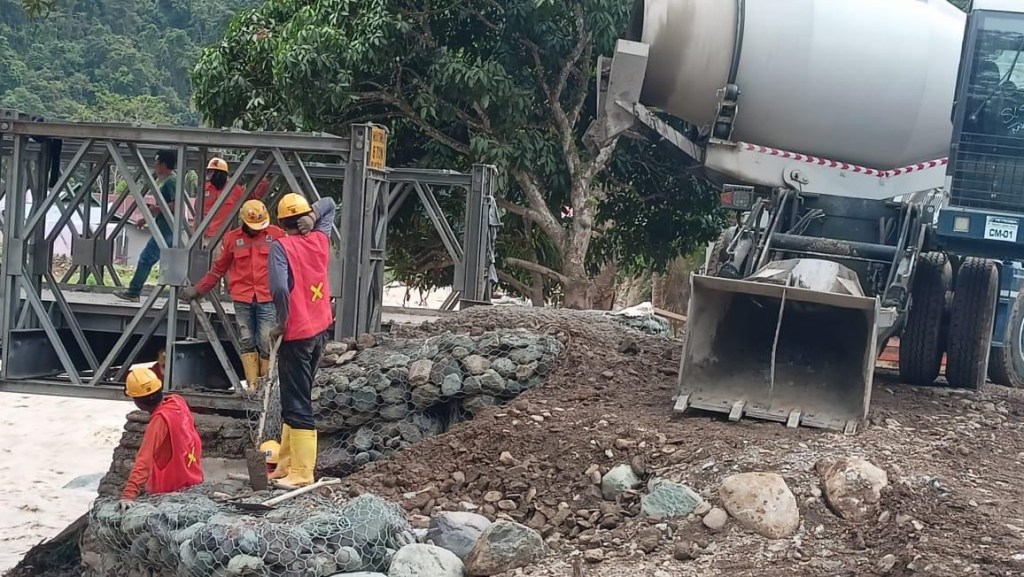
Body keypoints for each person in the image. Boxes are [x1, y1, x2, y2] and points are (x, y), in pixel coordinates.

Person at [266, 193, 335, 489]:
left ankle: (302, 471)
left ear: (281, 222)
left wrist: (281, 322)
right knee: (297, 395)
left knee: (297, 402)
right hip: (320, 329)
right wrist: (314, 214)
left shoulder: (280, 247)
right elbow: (330, 203)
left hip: (296, 334)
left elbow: (281, 288)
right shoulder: (320, 238)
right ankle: (286, 462)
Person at [180, 199, 284, 389]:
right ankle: (253, 386)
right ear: (244, 221)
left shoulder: (276, 235)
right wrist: (199, 289)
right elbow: (218, 269)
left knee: (266, 339)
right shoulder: (232, 240)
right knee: (246, 339)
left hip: (267, 297)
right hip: (242, 297)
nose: (257, 230)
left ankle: (266, 387)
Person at [120, 367, 204, 505]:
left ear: (137, 401)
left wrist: (129, 494)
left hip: (171, 491)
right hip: (194, 480)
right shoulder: (178, 401)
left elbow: (144, 460)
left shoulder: (159, 421)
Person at [115, 149, 178, 302]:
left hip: (166, 229)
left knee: (146, 258)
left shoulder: (171, 181)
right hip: (165, 227)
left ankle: (134, 291)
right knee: (170, 262)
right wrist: (146, 218)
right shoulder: (170, 181)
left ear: (164, 164)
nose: (155, 166)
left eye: (157, 163)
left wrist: (157, 208)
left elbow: (176, 205)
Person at [202, 157, 270, 259]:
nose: (211, 176)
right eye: (210, 172)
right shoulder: (204, 188)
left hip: (223, 238)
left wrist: (263, 181)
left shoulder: (234, 190)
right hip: (203, 237)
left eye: (214, 173)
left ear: (222, 174)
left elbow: (252, 199)